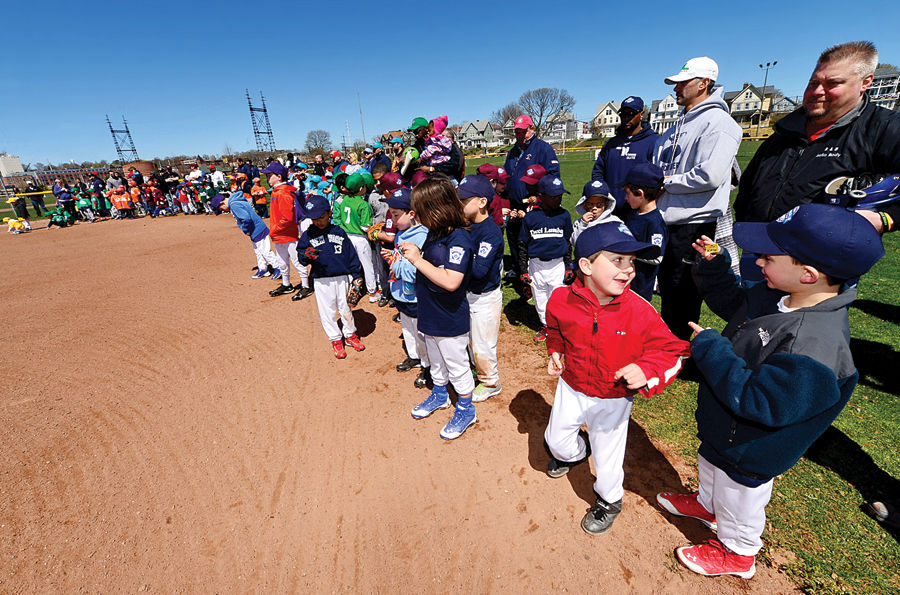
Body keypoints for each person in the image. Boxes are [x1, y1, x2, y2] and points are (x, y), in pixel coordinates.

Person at [657, 204, 884, 579]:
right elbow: (733, 302)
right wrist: (714, 269)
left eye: (768, 256)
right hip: (726, 432)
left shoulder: (815, 346)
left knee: (738, 496)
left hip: (751, 448)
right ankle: (705, 504)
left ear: (808, 274)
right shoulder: (779, 292)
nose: (757, 261)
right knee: (711, 466)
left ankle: (738, 552)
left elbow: (759, 403)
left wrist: (712, 350)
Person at [544, 222, 688, 536]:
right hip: (571, 384)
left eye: (632, 262)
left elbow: (674, 350)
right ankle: (577, 453)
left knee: (608, 457)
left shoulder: (639, 311)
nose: (627, 270)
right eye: (617, 260)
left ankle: (610, 500)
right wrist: (555, 350)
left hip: (613, 396)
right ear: (585, 265)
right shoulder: (560, 299)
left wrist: (647, 369)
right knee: (556, 442)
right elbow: (554, 328)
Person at [733, 41, 900, 248]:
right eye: (813, 83)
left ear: (865, 82)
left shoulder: (885, 128)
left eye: (833, 83)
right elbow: (749, 185)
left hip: (819, 265)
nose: (817, 91)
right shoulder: (786, 128)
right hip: (760, 248)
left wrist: (886, 219)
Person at [653, 56, 742, 341]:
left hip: (695, 223)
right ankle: (667, 346)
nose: (677, 89)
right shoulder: (674, 127)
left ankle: (677, 349)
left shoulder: (719, 123)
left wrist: (665, 183)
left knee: (684, 291)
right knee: (667, 287)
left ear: (704, 84)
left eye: (683, 83)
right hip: (668, 221)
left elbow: (711, 175)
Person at [399, 176, 477, 440]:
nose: (415, 215)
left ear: (435, 208)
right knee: (435, 361)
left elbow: (452, 281)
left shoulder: (459, 238)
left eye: (419, 209)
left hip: (449, 317)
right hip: (430, 312)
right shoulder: (435, 232)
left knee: (457, 364)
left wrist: (418, 259)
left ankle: (467, 408)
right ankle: (441, 395)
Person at [296, 194, 366, 359]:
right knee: (327, 311)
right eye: (314, 219)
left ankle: (350, 335)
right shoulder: (308, 235)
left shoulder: (339, 231)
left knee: (346, 308)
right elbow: (301, 257)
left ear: (329, 213)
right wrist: (306, 255)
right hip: (321, 279)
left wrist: (356, 275)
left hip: (342, 277)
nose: (318, 222)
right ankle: (335, 339)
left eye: (321, 217)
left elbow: (351, 254)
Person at [457, 175, 505, 402]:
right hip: (469, 295)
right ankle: (479, 374)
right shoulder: (468, 227)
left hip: (485, 297)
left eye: (465, 200)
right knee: (470, 340)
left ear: (482, 202)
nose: (460, 204)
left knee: (483, 344)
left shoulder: (490, 232)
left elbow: (478, 271)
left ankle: (491, 383)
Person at [382, 187, 431, 388]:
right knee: (407, 328)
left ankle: (428, 366)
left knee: (421, 333)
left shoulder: (421, 236)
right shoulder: (402, 233)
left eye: (396, 215)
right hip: (401, 293)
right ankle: (414, 356)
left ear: (412, 214)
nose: (393, 220)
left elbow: (416, 271)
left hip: (415, 296)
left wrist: (394, 263)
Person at [503, 114, 560, 280]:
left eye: (523, 131)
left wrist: (541, 196)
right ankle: (517, 266)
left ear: (531, 128)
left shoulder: (543, 148)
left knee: (532, 236)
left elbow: (553, 175)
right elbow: (508, 174)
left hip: (533, 202)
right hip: (514, 201)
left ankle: (534, 268)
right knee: (514, 235)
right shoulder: (513, 151)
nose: (520, 135)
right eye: (517, 132)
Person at [518, 175, 573, 342]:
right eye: (553, 196)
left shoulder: (564, 215)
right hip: (536, 265)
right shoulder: (531, 217)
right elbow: (522, 245)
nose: (558, 199)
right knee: (540, 298)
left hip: (557, 264)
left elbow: (568, 242)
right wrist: (523, 270)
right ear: (541, 196)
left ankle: (560, 327)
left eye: (560, 196)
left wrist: (568, 266)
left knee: (559, 298)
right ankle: (546, 326)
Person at [591, 96, 658, 216]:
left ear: (641, 114)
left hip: (639, 211)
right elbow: (598, 172)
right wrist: (602, 196)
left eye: (631, 114)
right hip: (611, 209)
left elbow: (657, 178)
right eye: (623, 114)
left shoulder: (653, 142)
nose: (626, 118)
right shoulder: (611, 144)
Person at [212, 192, 286, 280]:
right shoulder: (236, 200)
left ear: (222, 203)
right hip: (255, 229)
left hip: (257, 229)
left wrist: (246, 230)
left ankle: (278, 267)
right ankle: (263, 268)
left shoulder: (234, 204)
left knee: (264, 250)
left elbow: (246, 218)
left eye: (221, 209)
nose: (223, 210)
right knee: (258, 251)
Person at [622, 164, 668, 302]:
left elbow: (657, 256)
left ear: (640, 194)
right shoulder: (634, 214)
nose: (625, 198)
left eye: (627, 193)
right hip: (626, 280)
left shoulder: (655, 223)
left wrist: (631, 254)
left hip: (640, 287)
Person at [264, 162, 310, 298]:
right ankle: (286, 284)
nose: (267, 178)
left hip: (289, 234)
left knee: (297, 261)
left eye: (269, 175)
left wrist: (274, 230)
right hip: (280, 235)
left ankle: (306, 286)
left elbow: (287, 218)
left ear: (279, 177)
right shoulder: (278, 191)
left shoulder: (283, 193)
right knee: (282, 262)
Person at [570, 180, 622, 245]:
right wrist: (583, 225)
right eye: (590, 204)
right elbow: (575, 243)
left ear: (606, 203)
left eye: (599, 205)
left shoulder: (615, 221)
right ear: (584, 204)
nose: (594, 208)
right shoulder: (579, 223)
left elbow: (624, 240)